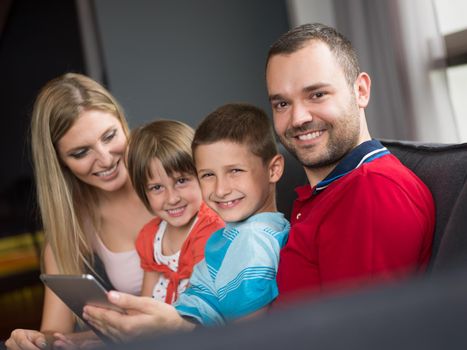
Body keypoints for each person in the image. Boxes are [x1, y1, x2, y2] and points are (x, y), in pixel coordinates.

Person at [81, 103, 289, 340]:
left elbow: (248, 338)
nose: (220, 190)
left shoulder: (252, 241)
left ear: (273, 170)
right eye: (208, 175)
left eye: (235, 171)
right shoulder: (234, 236)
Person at [265, 23, 435, 302]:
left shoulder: (373, 191)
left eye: (317, 94)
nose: (297, 119)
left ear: (361, 91)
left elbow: (361, 335)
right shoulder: (330, 191)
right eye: (282, 104)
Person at [5, 73, 154, 350]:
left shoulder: (176, 180)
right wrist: (35, 340)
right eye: (81, 152)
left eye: (110, 136)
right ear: (60, 163)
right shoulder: (71, 233)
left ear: (123, 124)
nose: (106, 159)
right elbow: (55, 333)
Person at [127, 120, 224, 303]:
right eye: (156, 187)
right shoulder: (150, 235)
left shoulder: (210, 231)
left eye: (181, 181)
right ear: (143, 192)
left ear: (202, 175)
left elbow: (198, 304)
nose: (172, 198)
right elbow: (146, 300)